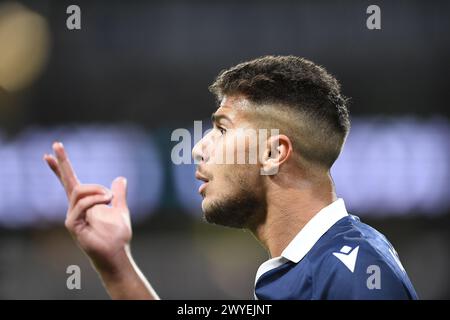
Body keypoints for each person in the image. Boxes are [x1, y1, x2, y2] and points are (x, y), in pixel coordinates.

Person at [44, 55, 418, 299]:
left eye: (222, 129)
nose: (198, 148)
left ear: (273, 153)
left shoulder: (353, 274)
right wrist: (115, 262)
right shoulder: (308, 270)